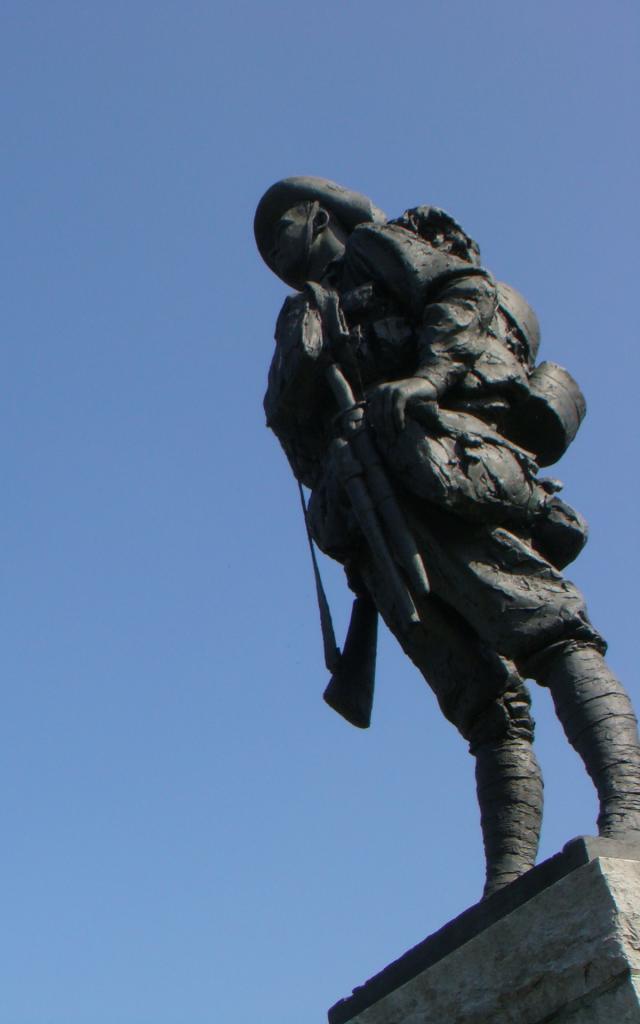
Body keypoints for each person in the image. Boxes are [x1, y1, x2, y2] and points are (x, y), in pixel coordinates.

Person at [254, 176, 640, 898]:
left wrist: (428, 378)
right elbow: (290, 432)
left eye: (281, 226)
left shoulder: (375, 249)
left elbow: (464, 292)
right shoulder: (296, 320)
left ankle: (632, 810)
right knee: (482, 707)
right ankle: (507, 879)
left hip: (436, 465)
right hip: (372, 513)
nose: (272, 248)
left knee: (547, 631)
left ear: (318, 216)